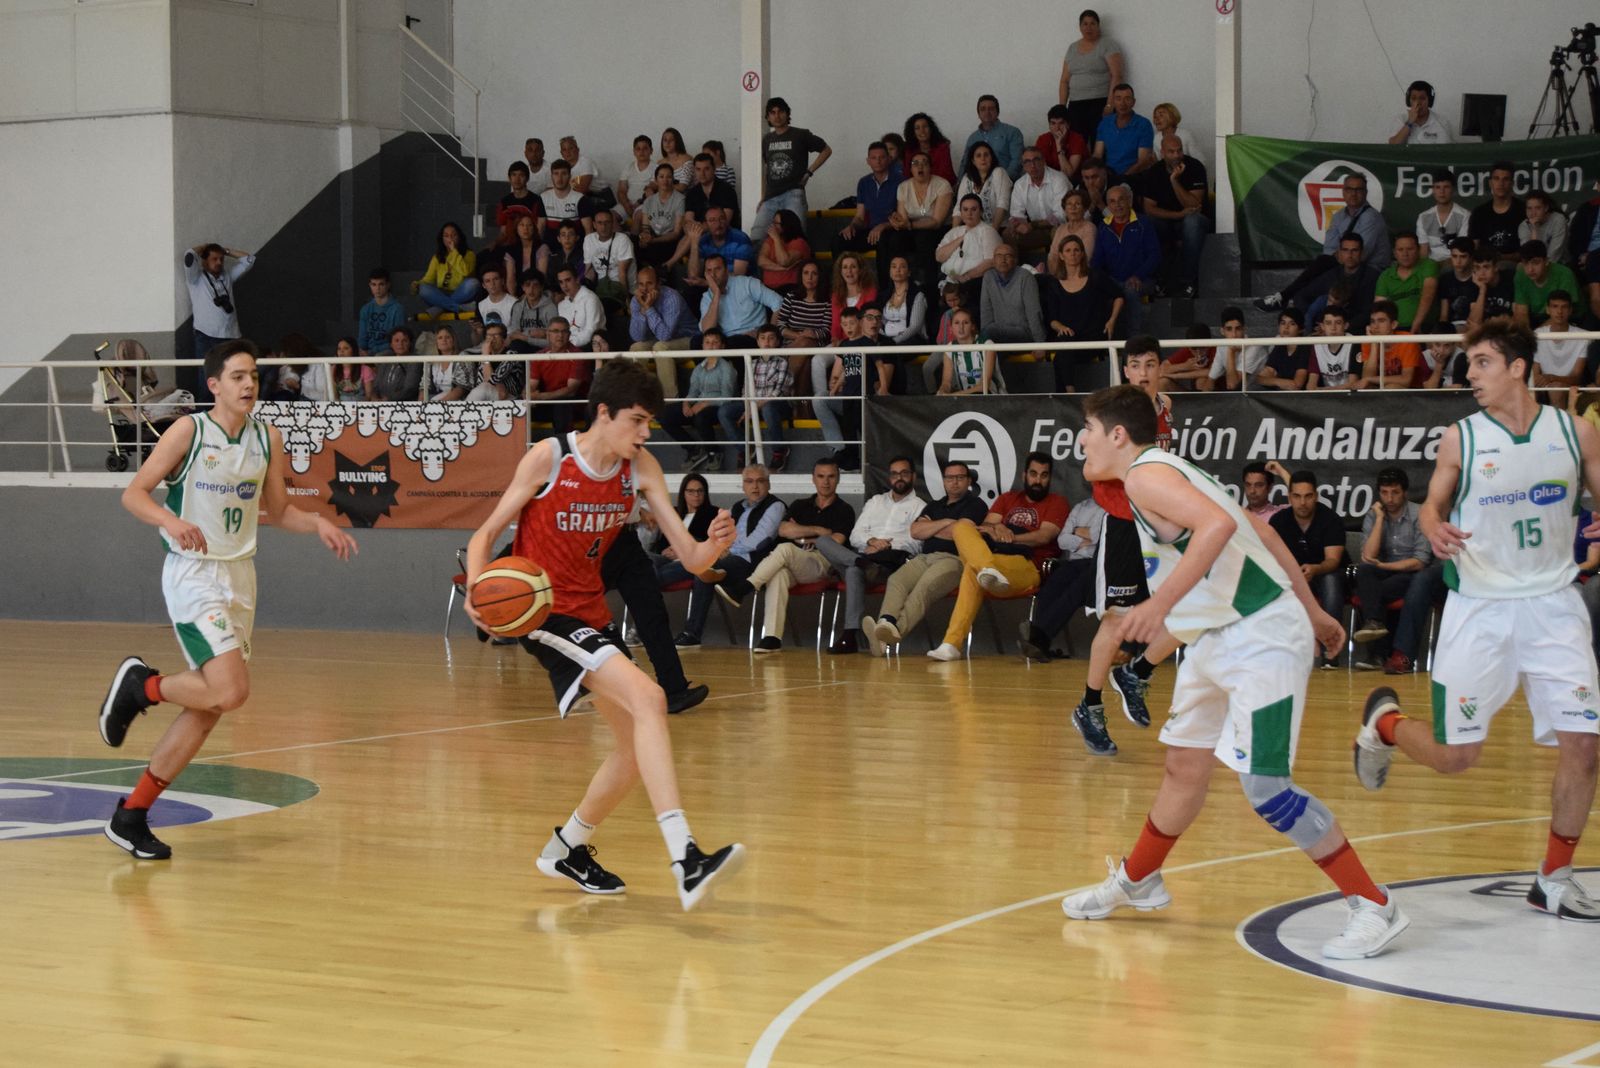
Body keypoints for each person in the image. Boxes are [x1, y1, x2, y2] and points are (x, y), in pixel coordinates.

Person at [1063, 385, 1406, 961]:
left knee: (1268, 790)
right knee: (1182, 767)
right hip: (1215, 635)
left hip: (1261, 636)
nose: (1081, 442)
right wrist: (1317, 610)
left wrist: (1155, 605)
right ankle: (1139, 879)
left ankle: (1374, 904)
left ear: (1118, 435)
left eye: (1088, 431)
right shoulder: (1168, 470)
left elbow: (1221, 530)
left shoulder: (1147, 476)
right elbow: (1261, 532)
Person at [461, 359, 745, 909]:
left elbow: (691, 558)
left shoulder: (641, 471)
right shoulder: (550, 458)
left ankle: (567, 846)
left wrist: (717, 545)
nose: (644, 434)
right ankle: (685, 856)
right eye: (636, 421)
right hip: (541, 611)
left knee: (636, 746)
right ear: (603, 414)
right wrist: (477, 588)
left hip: (590, 612)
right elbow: (486, 533)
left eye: (649, 424)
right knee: (651, 697)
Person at [1355, 319, 1600, 922]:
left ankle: (1554, 877)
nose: (1472, 376)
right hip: (1479, 608)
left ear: (1519, 367)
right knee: (1455, 757)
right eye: (1470, 365)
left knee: (1585, 746)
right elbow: (1435, 498)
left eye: (1484, 363)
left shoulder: (1577, 434)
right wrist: (1434, 522)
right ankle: (1386, 724)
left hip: (1554, 607)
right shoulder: (1461, 437)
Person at [97, 341, 357, 860]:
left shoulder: (268, 437)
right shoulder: (189, 431)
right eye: (238, 376)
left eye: (254, 376)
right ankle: (142, 687)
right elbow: (134, 493)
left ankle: (131, 815)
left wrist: (320, 523)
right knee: (231, 691)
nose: (249, 385)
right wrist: (172, 521)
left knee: (212, 704)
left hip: (240, 576)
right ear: (213, 385)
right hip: (194, 574)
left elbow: (279, 510)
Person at [1071, 338, 1176, 757]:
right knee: (1116, 622)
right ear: (1126, 372)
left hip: (1161, 524)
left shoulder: (1166, 407)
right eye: (1137, 365)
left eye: (1152, 364)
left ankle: (1138, 672)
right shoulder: (1111, 416)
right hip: (1124, 525)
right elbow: (1090, 469)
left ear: (1160, 369)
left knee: (1197, 606)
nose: (1145, 372)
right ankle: (1089, 705)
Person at [925, 452, 1067, 661]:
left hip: (1027, 565)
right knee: (962, 527)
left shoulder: (1057, 502)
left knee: (972, 570)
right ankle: (951, 645)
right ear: (1024, 475)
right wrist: (997, 527)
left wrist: (1010, 537)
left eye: (1044, 475)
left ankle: (952, 642)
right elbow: (986, 526)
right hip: (995, 560)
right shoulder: (1008, 498)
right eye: (1034, 474)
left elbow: (1043, 536)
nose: (1038, 480)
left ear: (1050, 478)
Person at [718, 458, 855, 654]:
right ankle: (772, 638)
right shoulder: (800, 505)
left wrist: (802, 535)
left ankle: (746, 587)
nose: (826, 482)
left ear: (838, 479)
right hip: (796, 562)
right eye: (821, 476)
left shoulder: (845, 509)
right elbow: (783, 530)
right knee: (778, 573)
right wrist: (817, 530)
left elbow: (837, 541)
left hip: (823, 563)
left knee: (784, 550)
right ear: (813, 479)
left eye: (831, 476)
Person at [863, 460, 990, 657]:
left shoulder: (976, 505)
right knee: (896, 580)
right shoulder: (934, 504)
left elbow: (961, 532)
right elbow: (915, 531)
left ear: (968, 481)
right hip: (925, 557)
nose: (954, 482)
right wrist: (948, 522)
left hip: (954, 559)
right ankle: (885, 622)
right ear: (944, 481)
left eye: (960, 477)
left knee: (924, 587)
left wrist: (932, 528)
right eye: (949, 478)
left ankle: (890, 635)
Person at [674, 465, 785, 648]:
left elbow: (760, 540)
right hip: (726, 558)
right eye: (749, 482)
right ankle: (655, 574)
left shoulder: (775, 506)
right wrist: (720, 547)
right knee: (696, 566)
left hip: (751, 563)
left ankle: (691, 633)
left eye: (760, 481)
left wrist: (727, 548)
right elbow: (722, 534)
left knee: (703, 569)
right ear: (743, 486)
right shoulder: (737, 506)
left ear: (768, 484)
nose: (754, 487)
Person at [827, 456, 925, 655]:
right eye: (895, 474)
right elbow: (855, 536)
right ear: (889, 478)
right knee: (824, 542)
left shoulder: (920, 506)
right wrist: (871, 541)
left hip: (890, 564)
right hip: (866, 558)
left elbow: (916, 544)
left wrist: (882, 546)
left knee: (853, 571)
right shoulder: (875, 501)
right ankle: (859, 562)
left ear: (913, 477)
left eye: (904, 473)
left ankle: (849, 635)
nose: (899, 478)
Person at [1255, 174, 1390, 311]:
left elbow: (1357, 255)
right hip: (1341, 268)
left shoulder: (1371, 217)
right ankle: (1312, 322)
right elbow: (1329, 250)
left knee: (1322, 265)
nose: (1353, 194)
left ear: (1365, 193)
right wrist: (1339, 256)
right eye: (1349, 189)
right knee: (1302, 295)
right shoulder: (1338, 216)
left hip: (1371, 271)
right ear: (1343, 192)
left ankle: (1283, 296)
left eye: (1358, 190)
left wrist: (1341, 254)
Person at [1348, 467, 1431, 669]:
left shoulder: (1420, 514)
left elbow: (1420, 560)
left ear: (1405, 493)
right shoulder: (1374, 515)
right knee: (1365, 572)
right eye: (1384, 493)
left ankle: (1378, 654)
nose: (1390, 498)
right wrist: (1379, 520)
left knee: (1374, 592)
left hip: (1412, 572)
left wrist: (1386, 565)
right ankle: (1374, 623)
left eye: (1395, 492)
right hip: (1382, 570)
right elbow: (1368, 557)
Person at [1269, 469, 1348, 668]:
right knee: (1274, 581)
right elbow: (1271, 559)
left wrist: (1315, 569)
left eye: (1307, 496)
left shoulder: (1331, 519)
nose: (1302, 502)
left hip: (1326, 574)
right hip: (1292, 576)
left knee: (1331, 580)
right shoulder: (1278, 521)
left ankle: (1330, 651)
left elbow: (1333, 560)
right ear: (1289, 497)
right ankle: (1280, 649)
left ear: (1316, 496)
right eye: (1297, 496)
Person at [1017, 494, 1106, 660]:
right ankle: (1039, 641)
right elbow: (1063, 540)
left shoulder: (1117, 507)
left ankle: (1038, 639)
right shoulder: (1081, 506)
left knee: (1074, 590)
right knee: (1052, 585)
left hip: (1100, 564)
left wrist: (1077, 530)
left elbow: (1100, 537)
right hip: (1074, 562)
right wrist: (1086, 537)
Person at [1041, 233, 1123, 393]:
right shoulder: (1054, 283)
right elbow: (1052, 319)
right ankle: (1070, 390)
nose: (1072, 254)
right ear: (1061, 255)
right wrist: (1060, 326)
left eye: (1077, 250)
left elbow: (1119, 296)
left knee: (1060, 355)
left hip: (1093, 335)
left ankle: (1066, 397)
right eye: (1068, 250)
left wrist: (1112, 320)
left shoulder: (1095, 276)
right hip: (1068, 338)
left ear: (1082, 253)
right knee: (1063, 347)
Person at [1139, 135, 1209, 299]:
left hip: (1193, 220)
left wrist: (1174, 181)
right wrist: (1177, 214)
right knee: (1146, 223)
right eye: (1171, 152)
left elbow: (1193, 205)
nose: (1177, 155)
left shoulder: (1195, 167)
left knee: (1192, 222)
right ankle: (1156, 281)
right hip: (1167, 221)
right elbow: (1148, 209)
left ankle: (1189, 282)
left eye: (1179, 150)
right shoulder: (1154, 172)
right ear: (1162, 153)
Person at [751, 97, 830, 242]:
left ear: (787, 114)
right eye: (772, 112)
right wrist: (763, 196)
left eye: (780, 111)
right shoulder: (767, 139)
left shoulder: (800, 134)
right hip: (771, 196)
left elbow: (826, 150)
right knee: (757, 237)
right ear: (768, 117)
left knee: (796, 237)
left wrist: (809, 172)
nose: (777, 115)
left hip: (793, 193)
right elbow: (767, 168)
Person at [657, 328, 736, 471]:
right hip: (699, 404)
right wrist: (687, 403)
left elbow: (727, 397)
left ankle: (714, 452)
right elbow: (693, 392)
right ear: (702, 346)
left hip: (717, 407)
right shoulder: (699, 368)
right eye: (707, 342)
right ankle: (693, 449)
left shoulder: (726, 368)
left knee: (700, 416)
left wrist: (704, 404)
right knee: (663, 414)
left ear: (722, 346)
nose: (711, 346)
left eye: (715, 342)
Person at [719, 325, 793, 473]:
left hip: (777, 405)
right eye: (763, 338)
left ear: (778, 342)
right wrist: (748, 407)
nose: (767, 342)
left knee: (768, 407)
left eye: (771, 338)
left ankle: (779, 451)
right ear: (757, 342)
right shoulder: (751, 363)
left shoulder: (782, 362)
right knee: (724, 411)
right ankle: (745, 449)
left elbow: (777, 392)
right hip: (754, 405)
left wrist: (753, 409)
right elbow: (746, 390)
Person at [1091, 184, 1161, 333]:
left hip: (1143, 279)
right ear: (1108, 205)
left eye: (1121, 200)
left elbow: (1154, 255)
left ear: (1129, 201)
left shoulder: (1144, 223)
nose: (1117, 205)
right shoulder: (1103, 226)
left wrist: (1138, 275)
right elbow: (1097, 259)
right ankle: (1103, 343)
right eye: (1112, 201)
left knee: (1130, 290)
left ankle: (1135, 341)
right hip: (1114, 280)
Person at [879, 151, 954, 286]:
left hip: (938, 229)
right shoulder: (903, 187)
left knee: (924, 239)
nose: (920, 167)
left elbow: (936, 221)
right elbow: (903, 219)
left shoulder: (942, 185)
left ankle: (929, 288)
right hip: (912, 228)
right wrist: (896, 221)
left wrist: (909, 225)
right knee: (890, 238)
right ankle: (891, 287)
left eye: (924, 163)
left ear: (930, 167)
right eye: (915, 164)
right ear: (910, 169)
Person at [1058, 9, 1126, 147]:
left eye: (1092, 24)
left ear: (1098, 25)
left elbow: (1117, 75)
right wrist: (1062, 107)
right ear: (1080, 26)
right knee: (1077, 145)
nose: (1088, 27)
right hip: (1076, 105)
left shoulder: (1107, 44)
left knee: (1100, 144)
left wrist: (1109, 104)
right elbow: (1064, 80)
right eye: (1085, 24)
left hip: (1099, 103)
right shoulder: (1072, 48)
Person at [626, 265, 696, 398]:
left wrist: (648, 308)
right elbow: (637, 337)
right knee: (636, 347)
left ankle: (670, 402)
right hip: (660, 340)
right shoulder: (636, 300)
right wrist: (642, 310)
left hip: (688, 339)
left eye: (649, 283)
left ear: (658, 284)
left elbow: (664, 336)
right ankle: (635, 398)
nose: (645, 289)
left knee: (661, 347)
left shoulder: (671, 298)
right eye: (641, 284)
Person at [182, 243, 255, 368]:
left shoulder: (227, 276)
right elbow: (189, 255)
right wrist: (204, 247)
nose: (219, 262)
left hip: (231, 334)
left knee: (231, 371)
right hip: (206, 335)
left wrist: (226, 251)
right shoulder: (195, 278)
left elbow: (249, 260)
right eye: (214, 259)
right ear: (204, 261)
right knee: (207, 374)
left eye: (221, 259)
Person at [698, 254, 784, 348]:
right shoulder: (707, 297)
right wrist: (717, 295)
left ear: (726, 270)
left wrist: (766, 333)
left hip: (752, 338)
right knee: (696, 342)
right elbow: (707, 330)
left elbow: (779, 303)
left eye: (717, 269)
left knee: (735, 342)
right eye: (709, 271)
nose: (713, 275)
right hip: (726, 341)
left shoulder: (747, 283)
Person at [833, 141, 901, 255]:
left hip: (892, 230)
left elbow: (903, 217)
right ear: (868, 161)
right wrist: (851, 226)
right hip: (871, 231)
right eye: (873, 158)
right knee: (839, 241)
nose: (878, 161)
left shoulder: (900, 182)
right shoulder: (864, 182)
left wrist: (883, 226)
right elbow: (860, 216)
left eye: (882, 157)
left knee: (884, 241)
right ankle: (840, 273)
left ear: (889, 159)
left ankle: (883, 274)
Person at [527, 318, 590, 436]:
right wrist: (527, 394)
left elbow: (571, 391)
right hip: (548, 402)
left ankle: (564, 448)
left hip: (573, 404)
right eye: (555, 331)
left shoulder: (578, 355)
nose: (560, 335)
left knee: (562, 404)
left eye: (564, 331)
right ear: (548, 334)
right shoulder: (540, 355)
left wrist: (541, 396)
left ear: (569, 334)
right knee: (521, 406)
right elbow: (532, 384)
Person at [1004, 148, 1070, 259]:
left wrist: (1032, 225)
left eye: (1036, 160)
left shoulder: (1059, 179)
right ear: (1023, 166)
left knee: (1057, 231)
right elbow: (1016, 214)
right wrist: (1017, 225)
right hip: (1037, 229)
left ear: (1044, 161)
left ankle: (1058, 272)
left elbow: (1060, 216)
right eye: (1027, 162)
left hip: (1061, 226)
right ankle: (1015, 272)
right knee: (1008, 234)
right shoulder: (1020, 184)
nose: (1032, 165)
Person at [937, 195, 1002, 303]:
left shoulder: (988, 231)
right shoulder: (954, 232)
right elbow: (939, 256)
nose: (969, 213)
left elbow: (991, 262)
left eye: (974, 209)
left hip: (974, 281)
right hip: (949, 279)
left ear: (981, 212)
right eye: (965, 209)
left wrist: (966, 277)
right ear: (961, 213)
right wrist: (959, 240)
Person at [980, 243, 1045, 346]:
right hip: (997, 335)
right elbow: (986, 312)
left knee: (990, 334)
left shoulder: (1025, 277)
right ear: (993, 260)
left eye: (1008, 256)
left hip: (1023, 333)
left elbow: (1034, 313)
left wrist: (1040, 344)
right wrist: (985, 339)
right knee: (991, 347)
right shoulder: (989, 277)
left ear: (1015, 260)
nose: (1003, 259)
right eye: (999, 256)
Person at [1374, 234, 1438, 334]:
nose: (1405, 254)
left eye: (1410, 249)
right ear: (1394, 253)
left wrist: (1416, 325)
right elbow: (1379, 308)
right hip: (1394, 331)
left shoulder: (1428, 265)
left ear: (1418, 250)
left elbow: (1427, 295)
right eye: (1400, 250)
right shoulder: (1386, 275)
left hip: (1425, 327)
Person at [415, 222, 480, 320]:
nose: (450, 238)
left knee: (473, 283)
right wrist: (417, 285)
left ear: (459, 237)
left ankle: (439, 308)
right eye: (446, 236)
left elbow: (465, 271)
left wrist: (453, 251)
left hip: (461, 293)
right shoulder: (437, 257)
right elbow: (428, 279)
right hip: (441, 294)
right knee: (423, 288)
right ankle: (459, 308)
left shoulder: (469, 254)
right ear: (442, 239)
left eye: (453, 235)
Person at [1534, 290, 1588, 402]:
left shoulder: (1583, 336)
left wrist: (1552, 378)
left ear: (1570, 310)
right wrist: (1542, 380)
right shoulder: (1538, 335)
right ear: (1547, 310)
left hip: (1571, 388)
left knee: (1557, 387)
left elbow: (1576, 378)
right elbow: (1535, 373)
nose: (1559, 311)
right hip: (1544, 388)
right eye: (1555, 306)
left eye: (1564, 307)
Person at [1513, 240, 1581, 329]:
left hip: (1570, 318)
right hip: (1536, 318)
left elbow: (1561, 313)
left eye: (1536, 263)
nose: (1530, 269)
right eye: (1526, 263)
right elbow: (1521, 312)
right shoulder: (1520, 275)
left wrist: (1536, 336)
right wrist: (1526, 337)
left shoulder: (1564, 274)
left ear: (1546, 261)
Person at [1354, 300, 1422, 390]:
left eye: (1381, 321)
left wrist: (1370, 379)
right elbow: (1366, 379)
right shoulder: (1368, 341)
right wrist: (1374, 343)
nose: (1375, 326)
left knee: (1391, 387)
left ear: (1393, 324)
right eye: (1372, 321)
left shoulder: (1407, 340)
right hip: (1381, 390)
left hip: (1413, 394)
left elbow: (1406, 380)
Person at [1093, 84, 1156, 179]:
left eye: (1127, 99)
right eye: (1118, 98)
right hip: (1108, 175)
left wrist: (1123, 178)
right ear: (1113, 101)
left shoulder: (1143, 124)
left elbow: (1143, 161)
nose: (1122, 103)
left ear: (1133, 102)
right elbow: (1097, 155)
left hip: (1135, 177)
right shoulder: (1105, 123)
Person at [633, 163, 687, 270]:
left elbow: (676, 233)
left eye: (669, 177)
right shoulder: (649, 201)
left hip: (669, 240)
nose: (665, 180)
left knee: (657, 249)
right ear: (656, 180)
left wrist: (653, 240)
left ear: (673, 179)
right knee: (632, 242)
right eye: (661, 177)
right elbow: (646, 227)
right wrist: (644, 238)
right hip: (653, 238)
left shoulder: (680, 200)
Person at [1467, 161, 1524, 260]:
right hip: (1484, 266)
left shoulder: (1523, 210)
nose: (1501, 184)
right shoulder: (1479, 213)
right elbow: (1474, 247)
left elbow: (1528, 250)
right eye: (1496, 179)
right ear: (1490, 183)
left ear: (1512, 183)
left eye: (1505, 179)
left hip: (1516, 266)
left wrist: (1504, 258)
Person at [936, 308, 999, 397]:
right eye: (957, 323)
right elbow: (946, 383)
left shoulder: (987, 345)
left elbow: (983, 387)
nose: (961, 327)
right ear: (951, 328)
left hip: (991, 398)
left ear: (972, 326)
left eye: (965, 323)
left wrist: (953, 395)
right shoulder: (949, 349)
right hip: (964, 400)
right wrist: (942, 391)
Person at [960, 94, 1024, 178]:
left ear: (997, 112)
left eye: (991, 109)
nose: (987, 112)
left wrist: (1004, 180)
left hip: (1006, 183)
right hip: (977, 186)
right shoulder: (973, 138)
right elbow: (965, 164)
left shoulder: (1012, 132)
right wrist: (959, 183)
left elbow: (1017, 161)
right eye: (983, 109)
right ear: (978, 114)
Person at [955, 141, 1015, 230]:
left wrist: (992, 232)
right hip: (973, 228)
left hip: (999, 227)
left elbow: (1002, 204)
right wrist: (953, 233)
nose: (983, 158)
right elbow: (958, 207)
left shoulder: (999, 172)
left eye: (986, 155)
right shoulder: (967, 177)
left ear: (991, 158)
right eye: (978, 156)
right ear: (973, 161)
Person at [582, 208, 636, 305]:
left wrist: (627, 302)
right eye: (600, 223)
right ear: (594, 225)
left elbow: (622, 274)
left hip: (621, 289)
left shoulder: (622, 240)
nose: (603, 226)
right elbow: (588, 269)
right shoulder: (589, 239)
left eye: (607, 222)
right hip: (602, 289)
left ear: (612, 224)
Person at [1416, 169, 1470, 262]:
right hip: (1431, 266)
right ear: (1433, 190)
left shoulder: (1464, 215)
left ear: (1452, 189)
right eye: (1437, 187)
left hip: (1456, 264)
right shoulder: (1423, 217)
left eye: (1446, 187)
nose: (1442, 191)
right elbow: (1423, 251)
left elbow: (1463, 250)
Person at [539, 159, 595, 242]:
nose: (559, 178)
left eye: (564, 174)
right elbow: (540, 228)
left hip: (575, 247)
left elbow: (588, 230)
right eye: (556, 173)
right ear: (551, 176)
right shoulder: (543, 198)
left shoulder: (580, 199)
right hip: (550, 247)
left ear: (569, 176)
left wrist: (588, 251)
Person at [757, 209, 812, 292]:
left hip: (790, 288)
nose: (773, 226)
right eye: (773, 223)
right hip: (768, 289)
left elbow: (784, 261)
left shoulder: (799, 242)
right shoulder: (769, 240)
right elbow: (761, 261)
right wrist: (783, 269)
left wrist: (776, 239)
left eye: (777, 224)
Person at [1254, 311, 1310, 391]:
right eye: (1283, 323)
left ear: (1300, 329)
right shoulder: (1280, 346)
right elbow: (1260, 378)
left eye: (1292, 324)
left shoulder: (1305, 348)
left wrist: (1273, 381)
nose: (1286, 327)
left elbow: (1297, 385)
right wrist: (1279, 382)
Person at [357, 267, 406, 358]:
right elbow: (362, 337)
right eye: (374, 284)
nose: (377, 288)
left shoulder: (397, 309)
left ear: (388, 285)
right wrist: (362, 351)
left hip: (388, 351)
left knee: (380, 356)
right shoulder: (365, 309)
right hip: (368, 352)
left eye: (381, 284)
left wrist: (372, 352)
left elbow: (398, 340)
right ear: (370, 285)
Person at [555, 266, 606, 350]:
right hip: (567, 347)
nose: (564, 286)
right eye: (561, 282)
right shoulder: (562, 305)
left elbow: (591, 331)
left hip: (591, 346)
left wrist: (568, 345)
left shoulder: (590, 298)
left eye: (568, 280)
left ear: (577, 279)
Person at [1387, 79, 1452, 144]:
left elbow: (1445, 151)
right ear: (1408, 101)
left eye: (1422, 98)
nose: (1418, 103)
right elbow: (1393, 145)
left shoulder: (1442, 122)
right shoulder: (1401, 119)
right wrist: (1409, 123)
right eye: (1414, 98)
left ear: (1429, 101)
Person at [421, 324, 474, 402]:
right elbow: (423, 386)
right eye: (440, 338)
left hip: (460, 399)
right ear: (436, 342)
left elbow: (461, 389)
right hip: (437, 398)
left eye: (447, 337)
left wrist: (439, 405)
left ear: (453, 340)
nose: (444, 340)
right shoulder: (432, 361)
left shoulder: (462, 357)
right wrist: (419, 406)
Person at [1036, 104, 1088, 182]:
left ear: (1068, 125)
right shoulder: (1043, 139)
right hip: (1051, 181)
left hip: (1075, 182)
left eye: (1061, 123)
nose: (1057, 128)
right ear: (1049, 125)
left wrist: (1058, 145)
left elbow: (1068, 175)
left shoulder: (1077, 139)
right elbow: (1040, 170)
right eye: (1053, 123)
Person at [902, 112, 956, 185]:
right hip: (917, 188)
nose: (922, 131)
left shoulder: (942, 148)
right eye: (917, 128)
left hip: (941, 187)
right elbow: (907, 175)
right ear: (913, 132)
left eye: (925, 126)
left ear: (931, 129)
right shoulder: (909, 150)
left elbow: (946, 175)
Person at [371, 327, 422, 401]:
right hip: (381, 403)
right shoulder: (385, 360)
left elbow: (410, 388)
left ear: (410, 343)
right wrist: (375, 398)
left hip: (404, 405)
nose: (400, 344)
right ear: (391, 344)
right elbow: (376, 386)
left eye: (404, 341)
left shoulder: (415, 361)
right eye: (396, 340)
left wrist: (388, 399)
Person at [1521, 192, 1571, 265]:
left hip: (1560, 264)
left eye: (1538, 208)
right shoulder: (1524, 226)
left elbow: (1554, 256)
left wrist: (1537, 266)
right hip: (1534, 268)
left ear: (1546, 208)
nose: (1533, 213)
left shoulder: (1558, 220)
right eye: (1529, 208)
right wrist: (1534, 229)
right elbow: (1528, 256)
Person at [616, 134, 657, 220]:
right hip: (627, 203)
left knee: (638, 216)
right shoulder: (628, 167)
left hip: (644, 204)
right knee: (610, 216)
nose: (641, 152)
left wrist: (638, 204)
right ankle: (622, 233)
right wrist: (627, 205)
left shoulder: (656, 168)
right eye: (638, 149)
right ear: (634, 152)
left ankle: (633, 233)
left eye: (645, 148)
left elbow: (651, 190)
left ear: (651, 151)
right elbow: (621, 191)